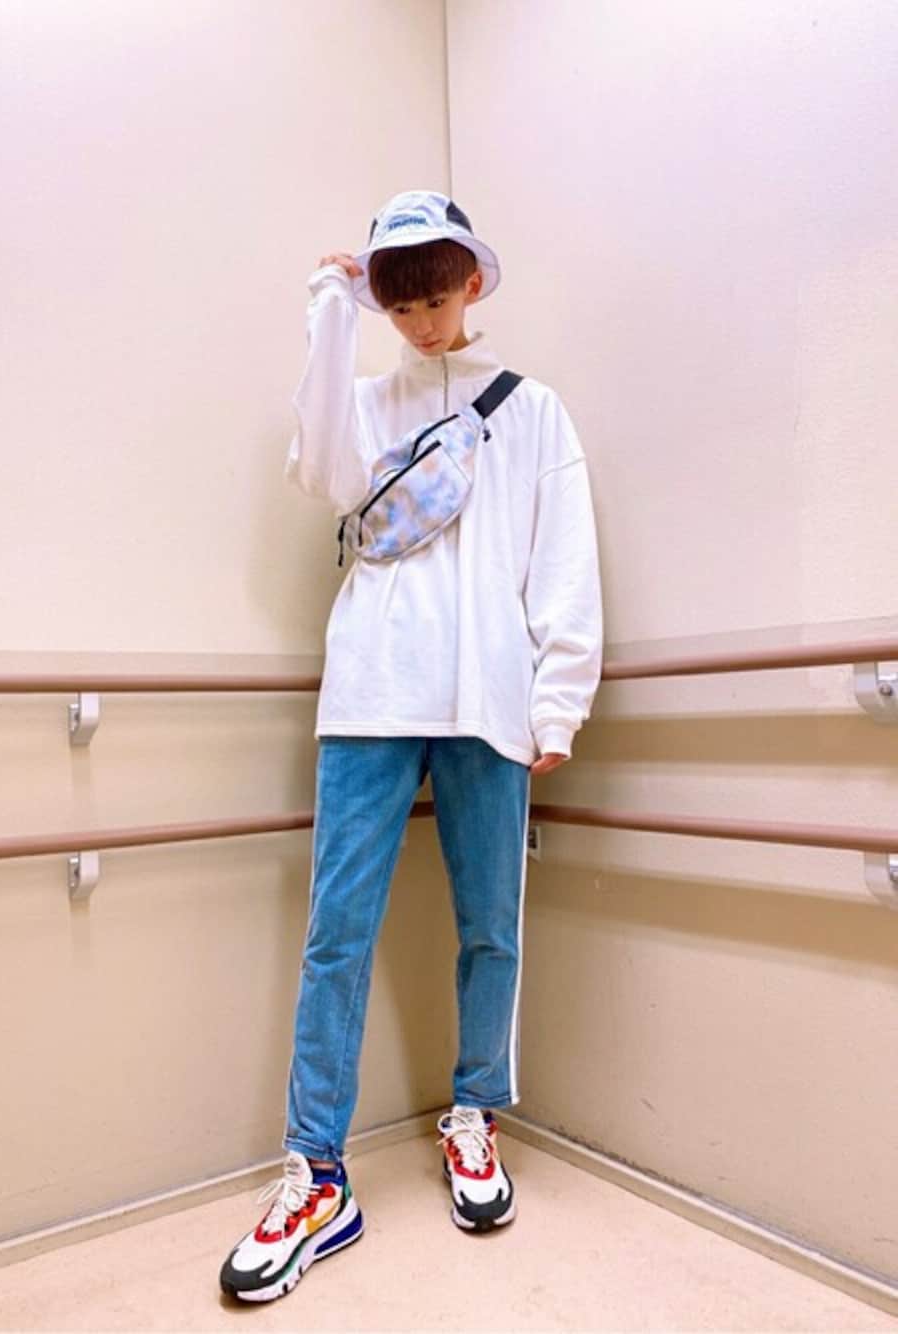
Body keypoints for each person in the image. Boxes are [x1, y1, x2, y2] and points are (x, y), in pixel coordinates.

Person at [220, 189, 603, 1303]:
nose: (423, 325)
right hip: (372, 691)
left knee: (491, 926)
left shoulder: (533, 411)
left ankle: (474, 1114)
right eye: (402, 308)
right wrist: (329, 311)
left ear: (472, 282)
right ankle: (316, 1170)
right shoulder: (366, 402)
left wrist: (558, 700)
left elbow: (564, 556)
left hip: (489, 695)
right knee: (336, 934)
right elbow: (319, 474)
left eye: (435, 301)